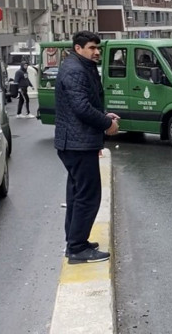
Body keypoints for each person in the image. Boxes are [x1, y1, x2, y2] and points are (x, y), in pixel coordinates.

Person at [55, 31, 120, 264]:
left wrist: (103, 114)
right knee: (88, 196)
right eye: (92, 48)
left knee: (77, 194)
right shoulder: (75, 70)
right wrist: (107, 124)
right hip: (77, 144)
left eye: (98, 48)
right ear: (78, 48)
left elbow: (83, 104)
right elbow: (81, 107)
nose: (96, 52)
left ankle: (75, 241)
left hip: (76, 142)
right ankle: (77, 248)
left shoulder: (78, 66)